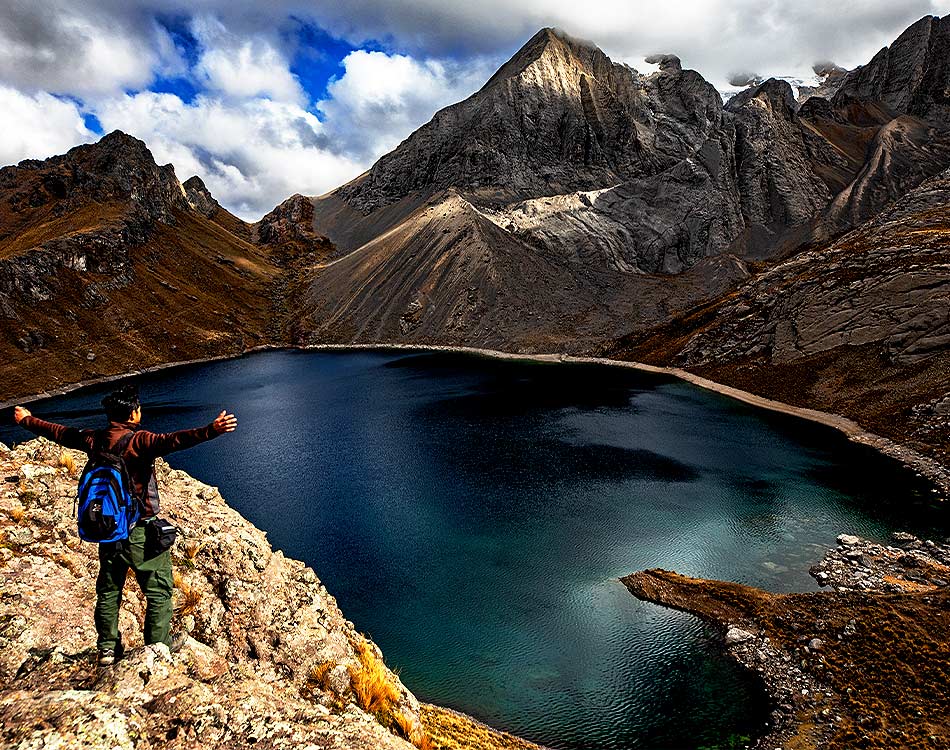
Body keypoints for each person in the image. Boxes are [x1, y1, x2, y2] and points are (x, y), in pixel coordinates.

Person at [13, 384, 237, 666]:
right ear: (132, 414)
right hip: (140, 530)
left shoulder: (94, 439)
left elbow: (59, 432)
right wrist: (212, 430)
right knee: (158, 590)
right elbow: (175, 440)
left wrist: (26, 420)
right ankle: (158, 648)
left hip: (107, 529)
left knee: (109, 589)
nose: (140, 410)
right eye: (138, 407)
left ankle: (107, 649)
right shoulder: (139, 441)